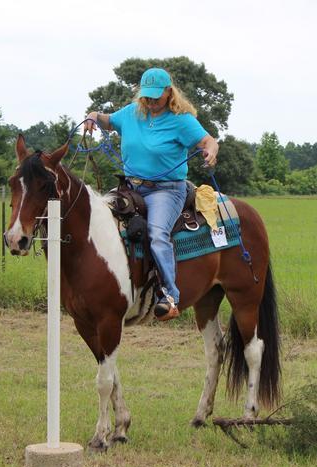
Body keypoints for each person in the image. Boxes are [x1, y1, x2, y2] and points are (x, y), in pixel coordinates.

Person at [85, 68, 219, 321]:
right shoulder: (131, 113)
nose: (150, 101)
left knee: (157, 234)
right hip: (130, 187)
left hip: (166, 190)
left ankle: (169, 296)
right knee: (99, 219)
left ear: (169, 92)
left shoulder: (182, 120)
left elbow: (208, 141)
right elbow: (106, 120)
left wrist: (211, 151)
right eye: (146, 96)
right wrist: (92, 117)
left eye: (156, 96)